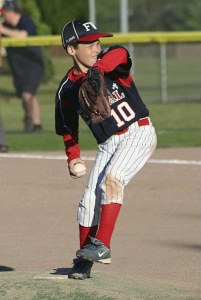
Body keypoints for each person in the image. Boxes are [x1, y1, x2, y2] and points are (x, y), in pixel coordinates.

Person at [55, 19, 157, 280]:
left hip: (138, 132)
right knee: (88, 201)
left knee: (112, 180)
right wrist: (73, 156)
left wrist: (98, 70)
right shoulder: (67, 89)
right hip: (108, 144)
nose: (95, 47)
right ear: (71, 49)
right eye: (88, 44)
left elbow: (121, 52)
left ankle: (101, 246)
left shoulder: (111, 63)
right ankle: (84, 260)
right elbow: (68, 127)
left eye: (97, 42)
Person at [0, 0, 44, 133]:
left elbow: (23, 35)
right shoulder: (6, 25)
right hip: (17, 66)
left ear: (12, 11)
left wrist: (2, 30)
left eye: (5, 12)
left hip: (33, 64)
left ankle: (32, 121)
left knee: (27, 94)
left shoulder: (26, 21)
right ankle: (35, 123)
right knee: (28, 96)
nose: (4, 15)